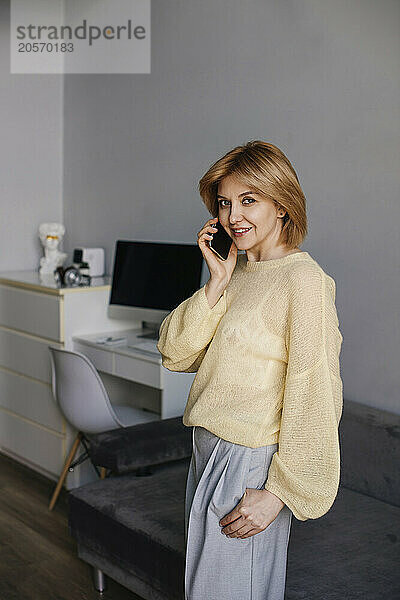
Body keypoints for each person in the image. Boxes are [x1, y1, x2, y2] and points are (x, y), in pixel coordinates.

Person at [156, 140, 343, 600]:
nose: (232, 216)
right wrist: (216, 281)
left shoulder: (304, 281)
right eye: (224, 203)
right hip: (207, 452)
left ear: (281, 205)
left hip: (248, 460)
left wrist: (280, 492)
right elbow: (174, 352)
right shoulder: (237, 272)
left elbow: (315, 392)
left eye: (248, 200)